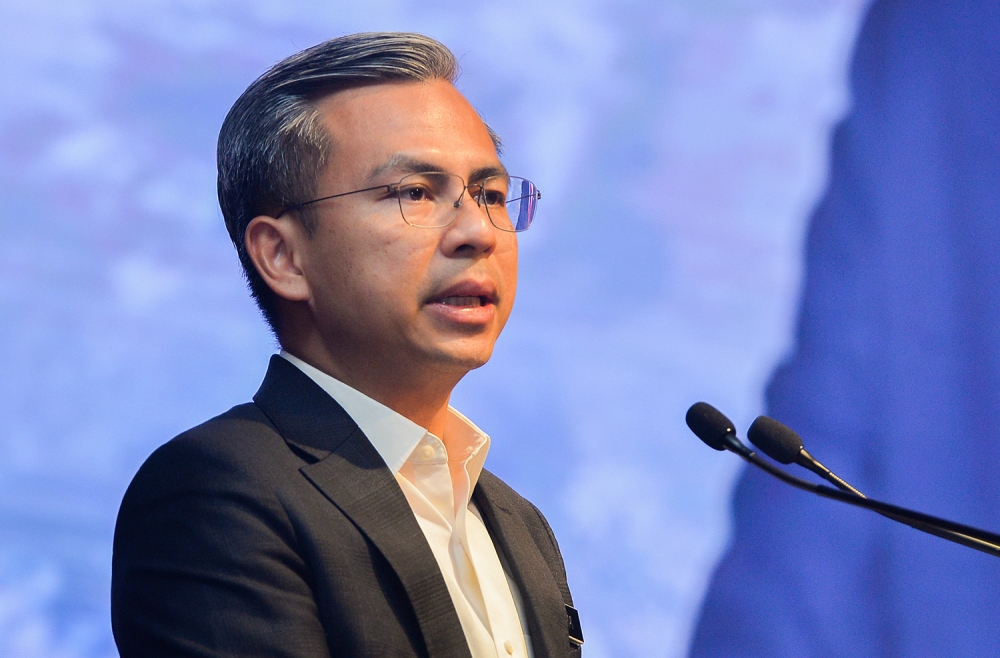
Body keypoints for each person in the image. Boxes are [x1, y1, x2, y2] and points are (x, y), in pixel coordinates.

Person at [111, 32, 581, 658]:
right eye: (414, 192)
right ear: (283, 256)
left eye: (492, 195)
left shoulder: (518, 524)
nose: (478, 232)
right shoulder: (219, 493)